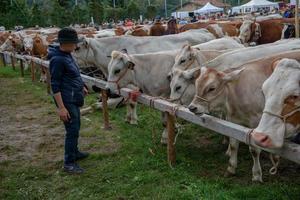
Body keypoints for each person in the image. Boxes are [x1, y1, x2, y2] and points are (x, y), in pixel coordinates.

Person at [48, 28, 89, 174]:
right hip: (67, 100)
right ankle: (69, 163)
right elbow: (55, 85)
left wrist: (82, 86)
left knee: (75, 127)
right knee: (72, 130)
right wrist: (61, 108)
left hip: (73, 96)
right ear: (65, 43)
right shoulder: (57, 59)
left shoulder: (67, 55)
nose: (75, 46)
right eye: (73, 43)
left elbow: (74, 74)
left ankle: (75, 152)